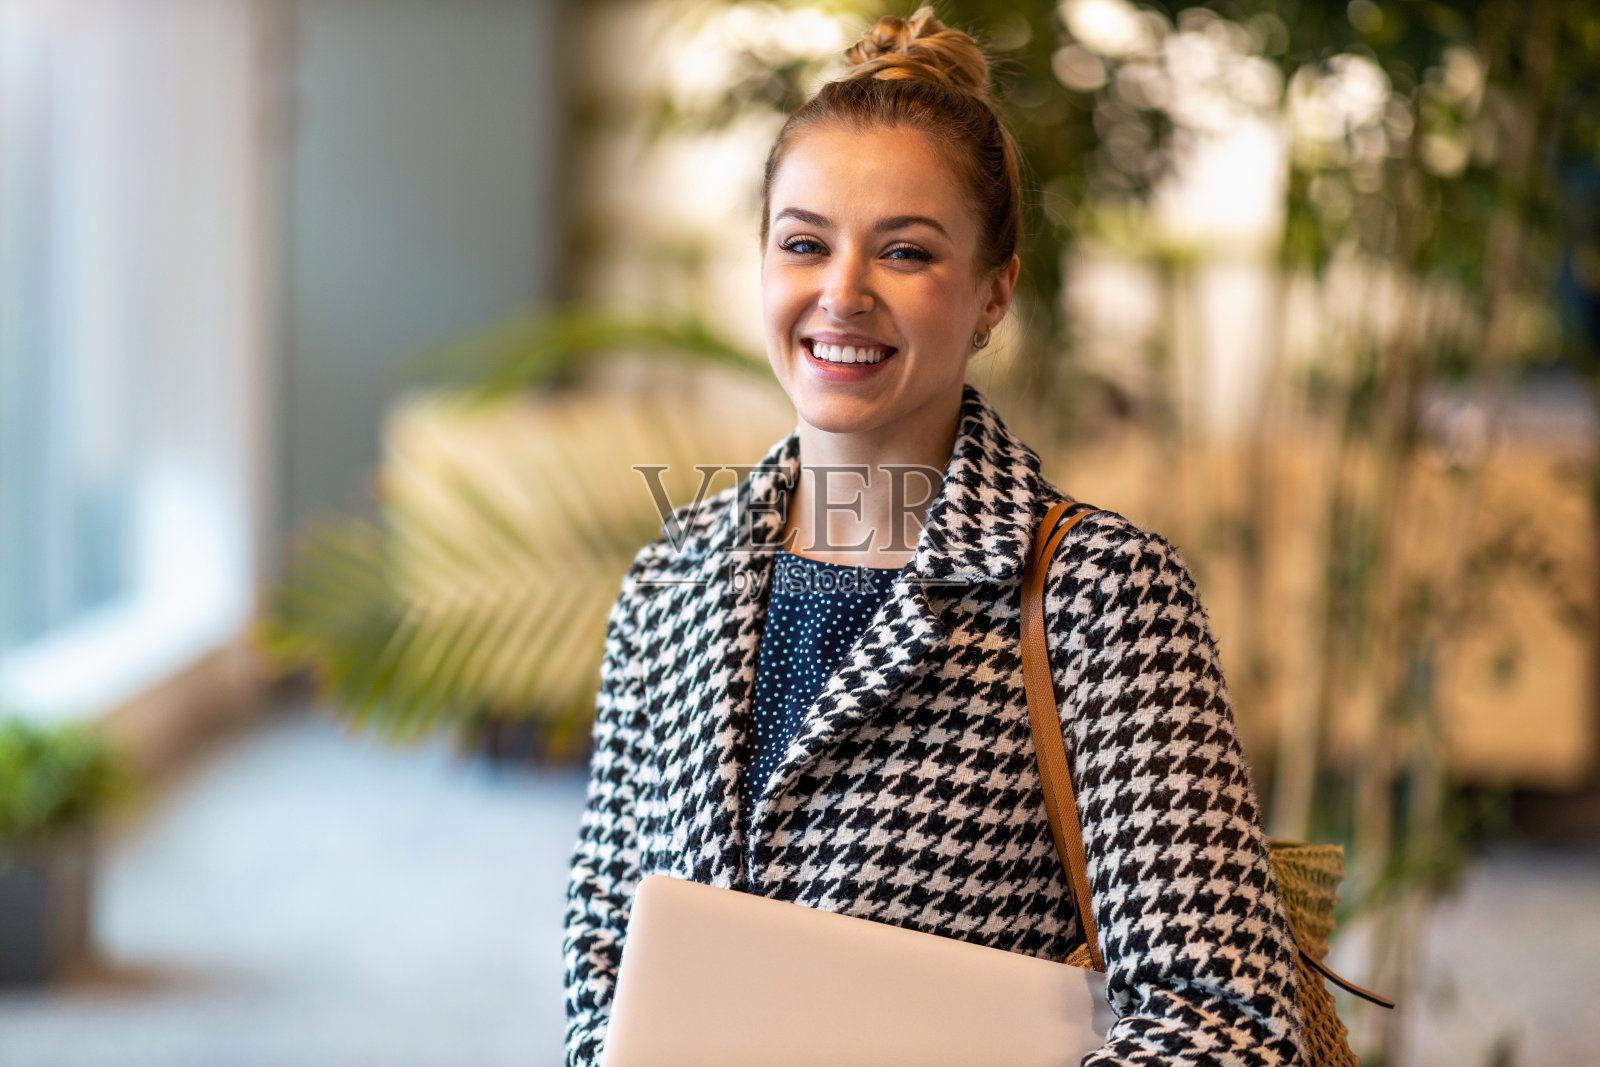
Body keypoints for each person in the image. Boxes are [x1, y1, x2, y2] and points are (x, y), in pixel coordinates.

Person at [562, 7, 1307, 1066]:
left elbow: (1223, 1020)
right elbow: (603, 951)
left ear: (992, 291)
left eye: (905, 251)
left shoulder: (1105, 596)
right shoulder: (668, 584)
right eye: (803, 243)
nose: (841, 292)